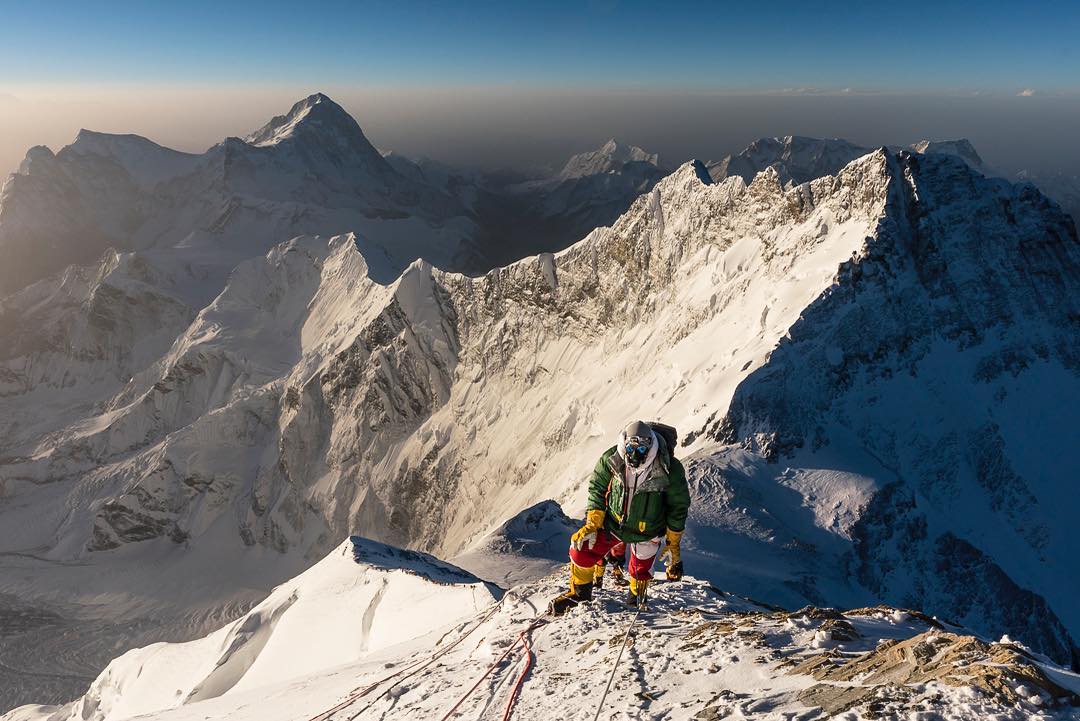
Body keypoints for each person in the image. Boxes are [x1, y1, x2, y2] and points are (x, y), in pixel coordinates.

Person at [549, 420, 690, 615]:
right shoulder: (612, 459)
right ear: (624, 444)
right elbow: (597, 488)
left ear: (650, 447)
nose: (635, 455)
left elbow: (678, 506)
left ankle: (637, 597)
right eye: (631, 449)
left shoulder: (669, 469)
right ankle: (579, 594)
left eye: (641, 449)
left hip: (647, 529)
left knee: (641, 568)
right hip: (614, 524)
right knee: (581, 548)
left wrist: (673, 542)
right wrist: (593, 523)